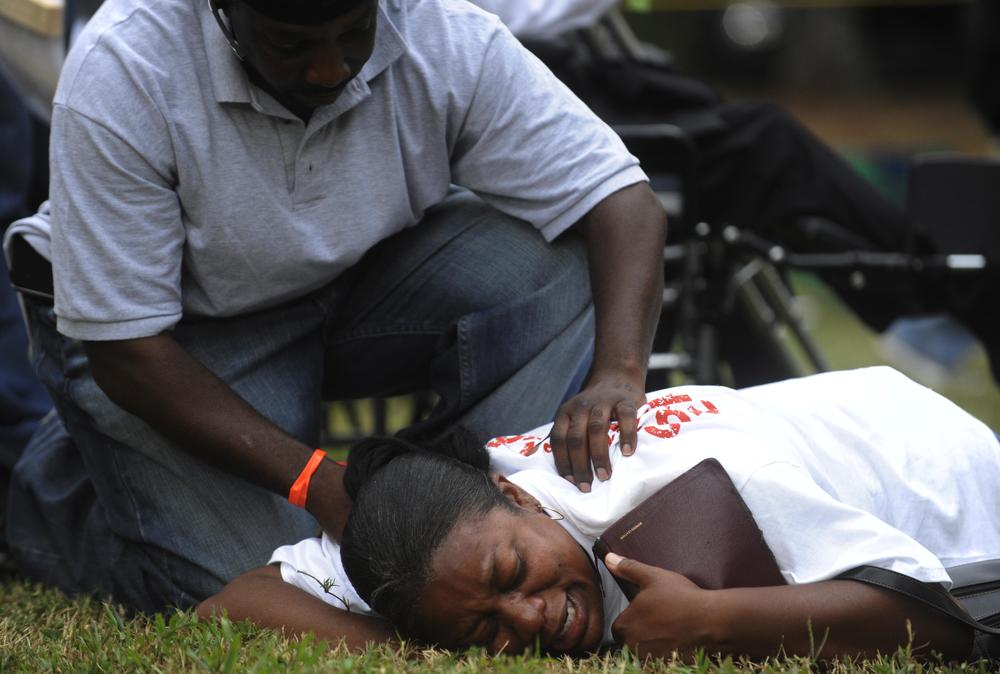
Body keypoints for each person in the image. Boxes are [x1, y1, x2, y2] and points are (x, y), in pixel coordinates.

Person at [2, 0, 667, 612]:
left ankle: (481, 505)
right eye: (291, 44)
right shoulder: (125, 66)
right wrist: (317, 484)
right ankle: (55, 508)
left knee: (551, 261)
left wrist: (619, 371)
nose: (329, 66)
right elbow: (129, 353)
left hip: (354, 280)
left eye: (352, 32)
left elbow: (619, 198)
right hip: (174, 332)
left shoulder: (441, 30)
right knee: (277, 581)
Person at [199, 366, 999, 662]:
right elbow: (232, 602)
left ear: (517, 494)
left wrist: (715, 621)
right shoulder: (439, 539)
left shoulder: (691, 490)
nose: (531, 616)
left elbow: (935, 624)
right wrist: (426, 648)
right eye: (487, 630)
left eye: (514, 576)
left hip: (946, 468)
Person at [466, 0, 1000, 386]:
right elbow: (510, 18)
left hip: (568, 91)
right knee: (765, 142)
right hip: (539, 116)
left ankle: (928, 284)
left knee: (754, 144)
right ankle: (936, 281)